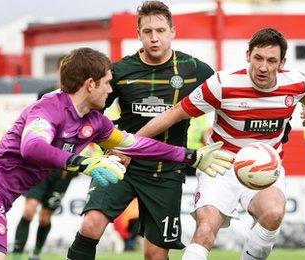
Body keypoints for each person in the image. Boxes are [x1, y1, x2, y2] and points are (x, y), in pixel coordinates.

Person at [0, 47, 229, 260]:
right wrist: (83, 163)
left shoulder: (94, 122)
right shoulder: (48, 109)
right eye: (107, 82)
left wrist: (190, 156)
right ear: (90, 83)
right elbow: (31, 147)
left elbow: (136, 144)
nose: (111, 88)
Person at [137, 28, 305, 260]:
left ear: (282, 62)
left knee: (273, 214)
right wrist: (133, 143)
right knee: (205, 230)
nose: (263, 67)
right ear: (248, 55)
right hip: (221, 166)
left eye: (271, 61)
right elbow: (175, 113)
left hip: (265, 168)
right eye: (258, 58)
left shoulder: (296, 83)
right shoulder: (222, 84)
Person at [66, 1, 215, 260]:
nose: (154, 38)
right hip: (122, 165)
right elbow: (92, 114)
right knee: (90, 225)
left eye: (160, 30)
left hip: (166, 171)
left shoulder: (195, 70)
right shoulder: (119, 71)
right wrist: (105, 148)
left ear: (172, 31)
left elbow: (226, 98)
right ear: (138, 34)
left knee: (155, 255)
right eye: (147, 32)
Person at [12, 55, 77, 260]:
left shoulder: (80, 99)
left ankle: (36, 255)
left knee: (45, 217)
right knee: (29, 210)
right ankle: (16, 255)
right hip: (41, 165)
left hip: (63, 170)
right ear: (58, 72)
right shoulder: (45, 95)